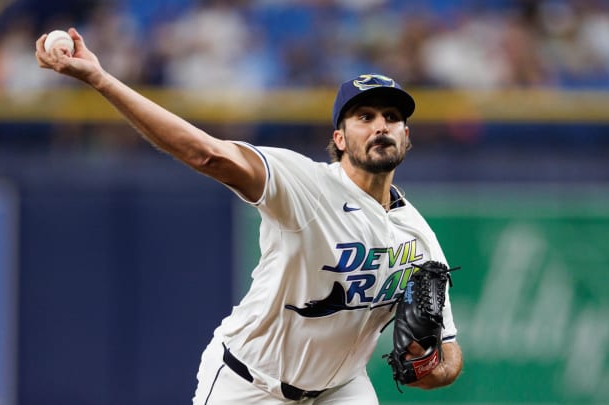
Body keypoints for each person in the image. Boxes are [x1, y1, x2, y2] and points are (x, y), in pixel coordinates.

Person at [35, 27, 463, 404]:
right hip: (249, 384)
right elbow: (207, 154)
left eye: (392, 118)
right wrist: (100, 79)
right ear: (339, 137)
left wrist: (426, 366)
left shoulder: (418, 238)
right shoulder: (305, 186)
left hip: (341, 390)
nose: (381, 126)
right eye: (364, 117)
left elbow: (448, 357)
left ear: (406, 137)